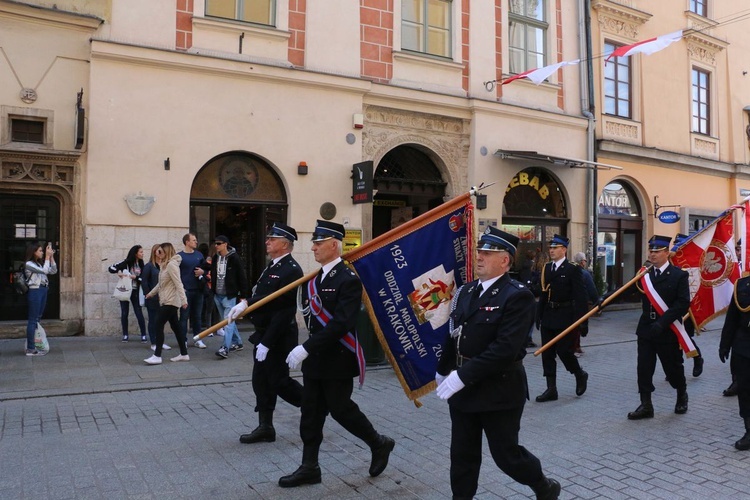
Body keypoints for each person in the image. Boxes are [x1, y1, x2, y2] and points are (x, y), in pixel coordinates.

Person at [435, 227, 561, 500]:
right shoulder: (467, 291)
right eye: (479, 251)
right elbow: (454, 332)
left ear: (505, 261)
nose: (479, 257)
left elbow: (505, 350)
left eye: (488, 253)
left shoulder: (517, 296)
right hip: (465, 389)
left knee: (507, 456)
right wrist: (443, 369)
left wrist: (461, 376)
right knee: (462, 455)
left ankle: (543, 485)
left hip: (499, 390)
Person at [278, 220, 394, 487]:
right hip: (316, 359)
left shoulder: (348, 279)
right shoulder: (315, 278)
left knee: (341, 409)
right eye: (314, 243)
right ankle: (309, 467)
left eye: (319, 243)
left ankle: (379, 443)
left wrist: (306, 347)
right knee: (311, 412)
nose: (314, 248)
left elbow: (342, 322)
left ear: (334, 245)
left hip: (338, 358)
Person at [230, 223, 304, 443]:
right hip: (264, 332)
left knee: (280, 381)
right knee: (260, 380)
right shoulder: (273, 266)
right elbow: (264, 297)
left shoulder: (291, 270)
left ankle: (314, 404)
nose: (267, 241)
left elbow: (284, 310)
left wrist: (268, 342)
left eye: (272, 239)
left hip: (279, 335)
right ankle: (265, 426)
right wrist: (246, 304)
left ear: (284, 244)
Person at [628, 235, 690, 420]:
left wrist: (662, 323)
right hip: (646, 327)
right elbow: (629, 290)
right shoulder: (644, 274)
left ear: (666, 253)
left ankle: (681, 394)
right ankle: (646, 405)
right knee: (644, 368)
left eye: (656, 251)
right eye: (651, 251)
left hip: (667, 329)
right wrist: (604, 300)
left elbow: (682, 304)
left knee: (672, 368)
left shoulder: (679, 275)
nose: (652, 255)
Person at [535, 235, 589, 402]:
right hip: (549, 315)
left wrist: (583, 321)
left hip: (566, 316)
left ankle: (579, 374)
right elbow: (544, 294)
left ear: (564, 249)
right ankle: (551, 389)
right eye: (550, 247)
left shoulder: (573, 269)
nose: (551, 250)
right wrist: (538, 315)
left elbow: (581, 297)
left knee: (564, 351)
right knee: (547, 353)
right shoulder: (547, 268)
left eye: (555, 247)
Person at [143, 243, 189, 365]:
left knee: (158, 324)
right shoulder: (164, 266)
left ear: (166, 252)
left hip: (171, 301)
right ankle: (184, 354)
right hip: (166, 300)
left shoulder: (171, 265)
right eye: (157, 252)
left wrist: (184, 300)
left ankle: (157, 355)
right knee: (176, 327)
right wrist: (151, 293)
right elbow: (160, 284)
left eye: (160, 252)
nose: (158, 254)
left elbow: (178, 283)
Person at [719, 274, 750, 450]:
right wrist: (725, 344)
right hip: (744, 346)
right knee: (745, 390)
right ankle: (749, 431)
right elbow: (732, 317)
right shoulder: (742, 285)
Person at [670, 234, 703, 377]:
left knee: (685, 338)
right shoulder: (670, 263)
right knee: (672, 338)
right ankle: (676, 367)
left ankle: (697, 359)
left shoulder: (692, 265)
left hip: (687, 308)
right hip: (671, 308)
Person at [209, 235, 247, 359]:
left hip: (229, 295)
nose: (216, 245)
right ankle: (238, 342)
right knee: (228, 321)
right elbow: (212, 272)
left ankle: (225, 347)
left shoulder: (234, 258)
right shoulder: (215, 258)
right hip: (217, 294)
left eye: (219, 243)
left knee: (228, 321)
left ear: (225, 244)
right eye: (215, 243)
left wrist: (244, 295)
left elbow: (242, 276)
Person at [108, 245, 148, 343]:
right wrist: (119, 272)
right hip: (125, 290)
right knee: (124, 312)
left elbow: (144, 279)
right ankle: (125, 334)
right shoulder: (125, 262)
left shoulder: (142, 265)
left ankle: (143, 334)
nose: (143, 254)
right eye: (141, 252)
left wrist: (136, 278)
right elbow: (111, 268)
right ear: (135, 253)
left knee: (138, 312)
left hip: (135, 291)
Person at [24, 242, 57, 356]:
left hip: (43, 290)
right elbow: (45, 271)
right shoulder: (29, 264)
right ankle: (30, 348)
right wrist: (47, 257)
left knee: (37, 319)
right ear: (33, 252)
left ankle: (35, 344)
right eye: (40, 251)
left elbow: (53, 271)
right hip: (35, 291)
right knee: (33, 320)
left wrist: (51, 257)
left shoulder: (39, 264)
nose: (42, 252)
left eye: (43, 251)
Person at [178, 233, 208, 348]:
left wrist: (203, 272)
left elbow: (205, 269)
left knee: (197, 316)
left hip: (198, 290)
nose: (196, 242)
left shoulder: (199, 255)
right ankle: (183, 340)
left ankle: (198, 338)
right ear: (187, 242)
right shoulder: (179, 256)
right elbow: (175, 274)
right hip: (185, 291)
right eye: (194, 240)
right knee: (184, 317)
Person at [141, 244, 171, 352]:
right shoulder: (149, 266)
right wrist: (148, 294)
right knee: (153, 320)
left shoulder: (165, 265)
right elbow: (144, 281)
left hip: (164, 297)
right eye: (158, 251)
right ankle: (153, 342)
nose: (160, 253)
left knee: (161, 321)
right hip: (152, 298)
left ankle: (160, 342)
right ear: (154, 252)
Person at [571, 252, 600, 357]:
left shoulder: (570, 270)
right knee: (578, 326)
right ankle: (574, 348)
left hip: (570, 303)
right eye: (584, 261)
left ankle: (577, 346)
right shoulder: (585, 273)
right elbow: (592, 289)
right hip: (581, 303)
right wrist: (597, 302)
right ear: (582, 262)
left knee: (575, 325)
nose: (585, 263)